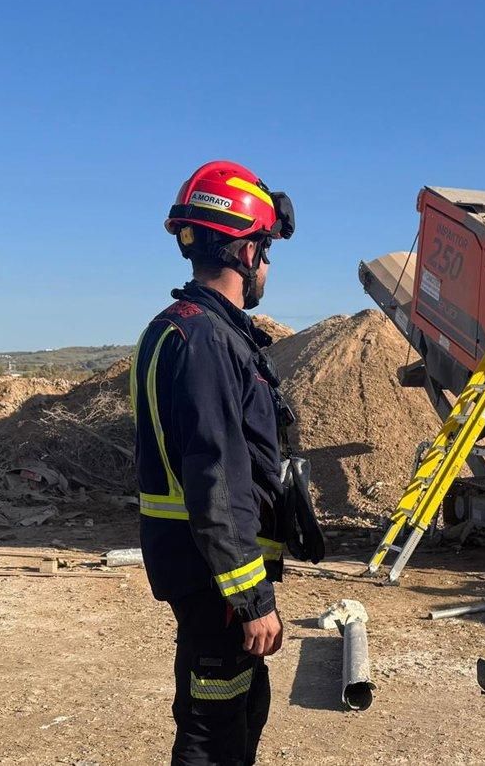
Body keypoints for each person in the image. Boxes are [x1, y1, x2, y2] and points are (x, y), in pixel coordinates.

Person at [134, 161, 318, 766]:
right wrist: (250, 597)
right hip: (215, 574)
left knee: (239, 710)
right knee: (214, 731)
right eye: (265, 250)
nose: (267, 265)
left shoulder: (181, 330)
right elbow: (215, 477)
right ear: (243, 249)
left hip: (203, 565)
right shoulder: (208, 341)